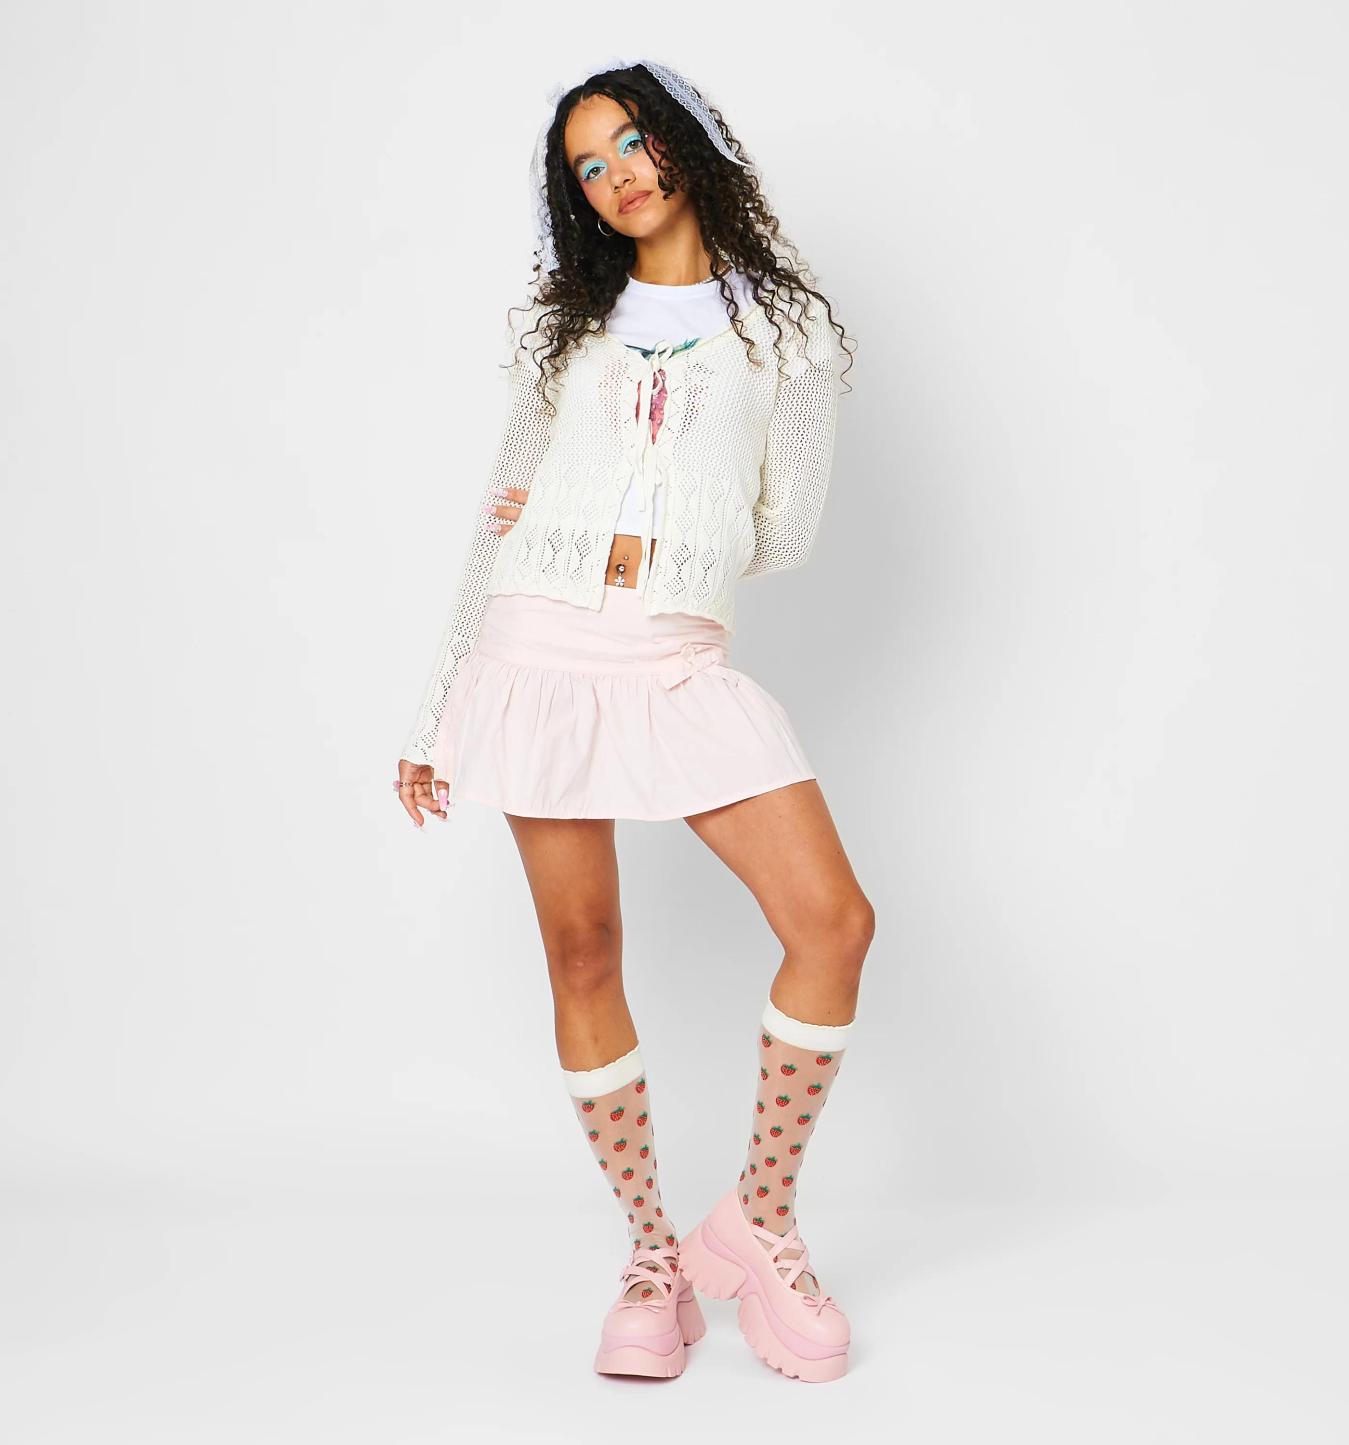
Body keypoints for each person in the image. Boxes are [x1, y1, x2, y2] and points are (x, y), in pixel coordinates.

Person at [394, 59, 874, 1384]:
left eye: (631, 144)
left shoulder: (785, 332)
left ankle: (758, 1219)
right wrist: (437, 709)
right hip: (536, 646)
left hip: (670, 656)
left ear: (688, 143)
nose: (615, 178)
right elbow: (499, 514)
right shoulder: (565, 333)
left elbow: (784, 531)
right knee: (584, 949)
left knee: (832, 925)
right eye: (586, 167)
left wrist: (662, 527)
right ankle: (652, 1257)